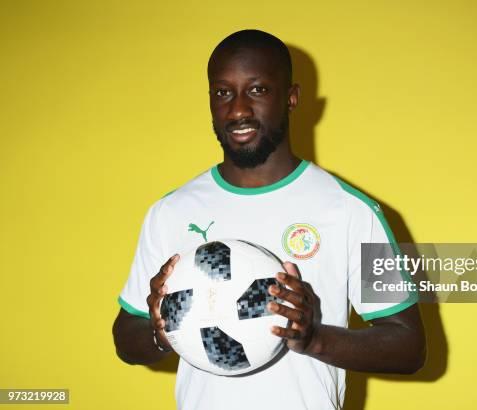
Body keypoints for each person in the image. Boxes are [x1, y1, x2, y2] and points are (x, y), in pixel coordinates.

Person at [112, 29, 426, 410]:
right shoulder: (171, 212)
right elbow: (126, 337)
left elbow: (408, 345)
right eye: (223, 92)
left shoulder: (347, 210)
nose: (238, 109)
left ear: (291, 98)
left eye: (257, 90)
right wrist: (159, 332)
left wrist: (314, 339)